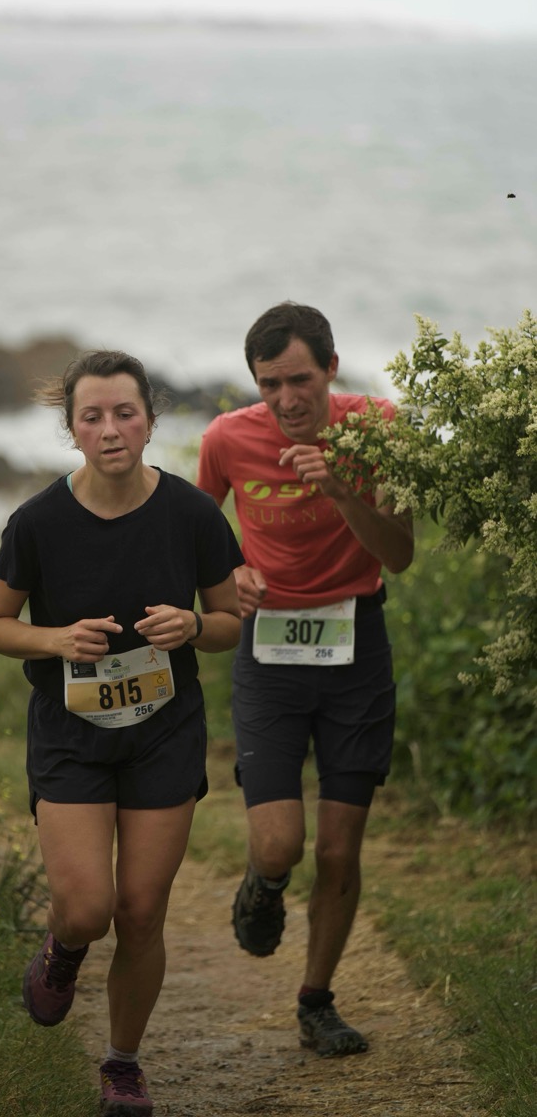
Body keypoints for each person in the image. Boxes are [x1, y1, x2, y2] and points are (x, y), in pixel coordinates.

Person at [0, 349, 243, 1116]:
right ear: (72, 429)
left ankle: (122, 1065)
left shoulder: (192, 514)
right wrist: (57, 640)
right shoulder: (37, 522)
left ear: (150, 421)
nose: (110, 429)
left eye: (124, 413)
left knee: (141, 912)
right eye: (91, 416)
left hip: (164, 732)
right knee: (88, 910)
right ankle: (64, 949)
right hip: (71, 735)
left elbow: (228, 621)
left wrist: (192, 625)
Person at [196, 301, 414, 1058]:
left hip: (357, 647)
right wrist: (230, 577)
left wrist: (343, 488)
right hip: (270, 655)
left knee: (340, 852)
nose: (286, 400)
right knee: (280, 843)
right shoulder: (226, 439)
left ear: (331, 368)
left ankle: (315, 1002)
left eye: (300, 381)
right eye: (269, 385)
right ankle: (262, 882)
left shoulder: (378, 429)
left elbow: (400, 555)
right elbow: (193, 541)